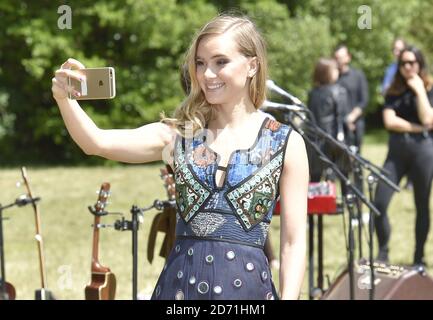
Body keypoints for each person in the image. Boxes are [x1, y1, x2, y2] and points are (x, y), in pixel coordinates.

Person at [51, 14, 309, 300]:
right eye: (200, 63)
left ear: (252, 65)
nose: (207, 74)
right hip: (179, 293)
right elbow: (96, 142)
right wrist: (65, 99)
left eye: (220, 62)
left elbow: (293, 242)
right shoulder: (178, 136)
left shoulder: (286, 143)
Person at [373, 46, 433, 267]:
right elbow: (390, 122)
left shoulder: (428, 87)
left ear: (419, 64)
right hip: (396, 153)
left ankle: (419, 257)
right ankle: (383, 252)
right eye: (403, 63)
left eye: (412, 62)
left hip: (423, 152)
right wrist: (418, 128)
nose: (407, 66)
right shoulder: (393, 91)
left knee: (422, 205)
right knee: (378, 203)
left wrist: (419, 90)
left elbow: (429, 119)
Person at [307, 58, 351, 182]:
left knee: (315, 176)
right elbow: (341, 117)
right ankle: (346, 199)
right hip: (334, 137)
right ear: (326, 73)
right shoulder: (339, 91)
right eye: (335, 69)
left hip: (315, 139)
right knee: (344, 175)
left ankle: (315, 200)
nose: (338, 72)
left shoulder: (312, 93)